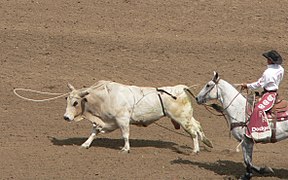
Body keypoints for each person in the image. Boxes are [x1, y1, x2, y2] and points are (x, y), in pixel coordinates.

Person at [241, 50, 284, 140]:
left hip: (269, 94)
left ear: (270, 60)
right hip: (274, 92)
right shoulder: (280, 69)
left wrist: (247, 86)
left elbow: (259, 84)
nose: (266, 60)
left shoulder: (268, 73)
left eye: (268, 59)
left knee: (258, 109)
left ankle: (259, 131)